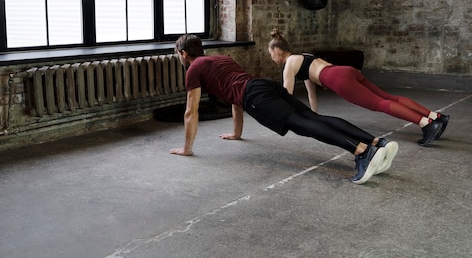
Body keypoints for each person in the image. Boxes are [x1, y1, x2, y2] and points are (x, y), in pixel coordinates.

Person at [169, 34, 399, 184]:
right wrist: (237, 133)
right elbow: (234, 98)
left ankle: (361, 152)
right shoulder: (222, 59)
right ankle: (376, 142)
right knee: (313, 117)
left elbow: (191, 111)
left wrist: (187, 148)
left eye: (178, 54)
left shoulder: (193, 69)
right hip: (265, 85)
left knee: (305, 126)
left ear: (183, 54)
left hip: (256, 97)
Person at [267, 28, 449, 147]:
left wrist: (280, 117)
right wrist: (315, 116)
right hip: (345, 71)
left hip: (337, 79)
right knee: (388, 97)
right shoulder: (301, 57)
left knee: (381, 104)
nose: (271, 58)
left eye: (270, 54)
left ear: (276, 50)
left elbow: (287, 95)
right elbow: (310, 92)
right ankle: (436, 117)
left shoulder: (289, 64)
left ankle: (426, 124)